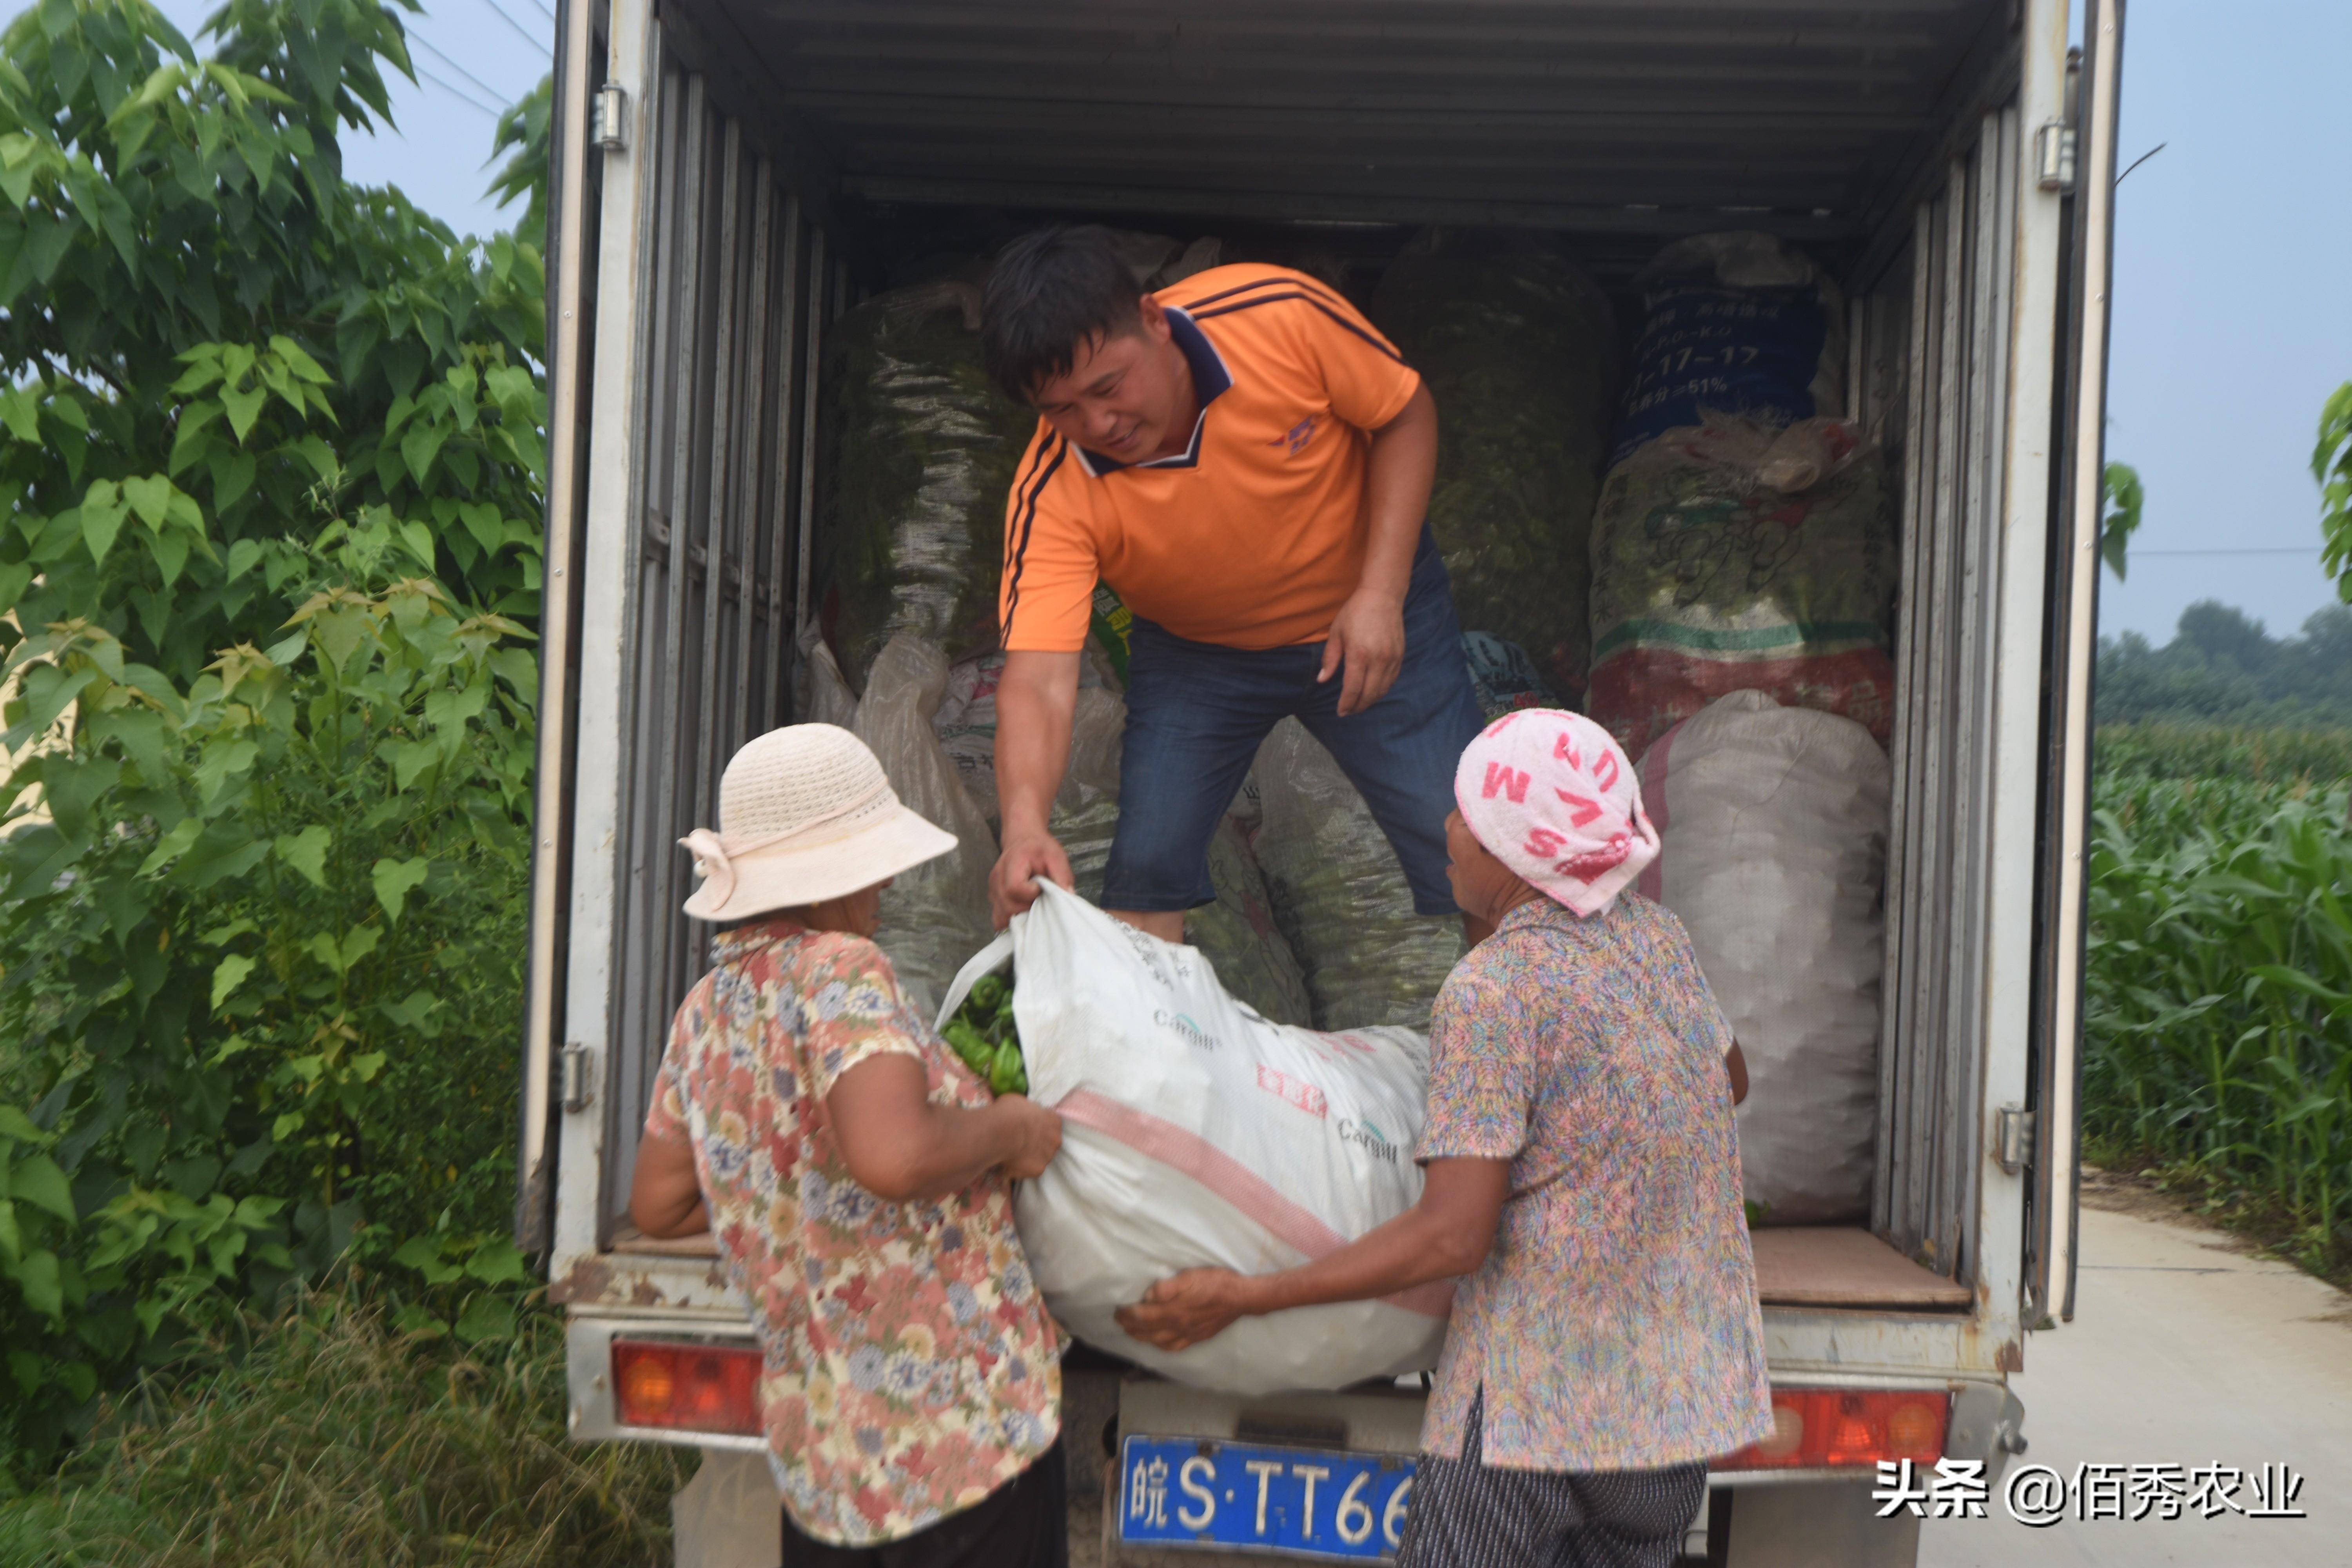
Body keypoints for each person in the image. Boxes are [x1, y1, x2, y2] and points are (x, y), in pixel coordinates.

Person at [1116, 710, 1771, 1567]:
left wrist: (1246, 1295)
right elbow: (1728, 1081)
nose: (1449, 831)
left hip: (1534, 1419)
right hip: (1673, 1418)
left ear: (1515, 851)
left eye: (1469, 816)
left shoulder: (1494, 991)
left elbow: (1453, 1234)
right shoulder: (1657, 939)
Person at [628, 724, 1069, 1567]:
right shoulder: (841, 969)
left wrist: (794, 1209)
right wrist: (1010, 1128)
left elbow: (660, 1204)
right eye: (874, 862)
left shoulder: (707, 1010)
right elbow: (894, 1156)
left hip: (828, 1474)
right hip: (958, 1450)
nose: (888, 883)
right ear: (832, 874)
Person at [979, 226, 1489, 944]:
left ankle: (1518, 1046)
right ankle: (1160, 1053)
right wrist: (1025, 825)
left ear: (1154, 321)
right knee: (1147, 871)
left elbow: (1405, 412)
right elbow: (1038, 681)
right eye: (1062, 410)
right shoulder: (1053, 489)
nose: (1098, 423)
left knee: (1483, 849)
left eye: (1107, 386)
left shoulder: (1277, 316)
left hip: (1369, 608)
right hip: (1200, 660)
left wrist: (1380, 592)